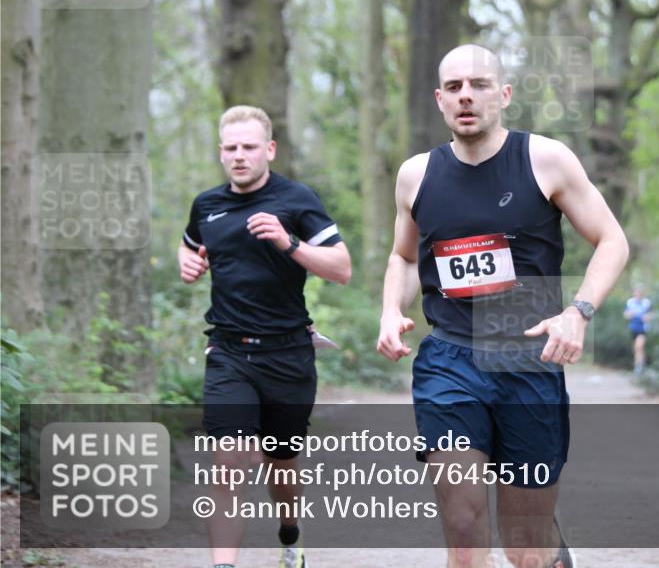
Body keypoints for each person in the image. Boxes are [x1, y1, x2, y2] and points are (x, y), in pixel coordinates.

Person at [376, 44, 629, 568]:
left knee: (524, 548)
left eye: (480, 85)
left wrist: (577, 312)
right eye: (454, 87)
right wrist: (389, 311)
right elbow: (402, 257)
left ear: (504, 94)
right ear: (439, 100)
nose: (466, 96)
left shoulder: (546, 159)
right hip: (449, 359)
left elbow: (612, 240)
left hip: (526, 361)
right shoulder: (416, 175)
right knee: (465, 531)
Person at [178, 105, 351, 568]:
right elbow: (191, 242)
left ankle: (289, 535)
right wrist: (188, 260)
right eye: (231, 148)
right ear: (221, 153)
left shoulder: (297, 200)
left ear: (269, 150)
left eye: (249, 147)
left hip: (289, 355)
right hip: (229, 353)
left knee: (281, 461)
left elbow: (342, 268)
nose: (239, 156)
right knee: (229, 461)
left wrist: (288, 243)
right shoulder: (207, 205)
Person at [624, 285, 652, 376]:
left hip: (643, 329)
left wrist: (646, 317)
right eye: (636, 292)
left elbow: (650, 315)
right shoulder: (630, 302)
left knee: (638, 347)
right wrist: (630, 314)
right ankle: (642, 366)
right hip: (633, 328)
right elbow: (626, 315)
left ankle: (638, 370)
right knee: (638, 350)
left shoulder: (646, 303)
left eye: (640, 292)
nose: (638, 294)